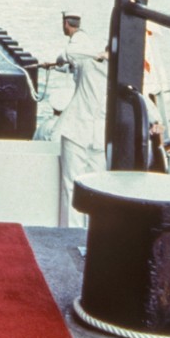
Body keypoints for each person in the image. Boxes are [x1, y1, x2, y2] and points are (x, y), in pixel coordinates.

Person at [39, 13, 109, 228]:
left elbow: (71, 52)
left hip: (96, 136)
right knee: (74, 185)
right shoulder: (92, 63)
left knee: (94, 186)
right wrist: (98, 55)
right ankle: (71, 234)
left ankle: (91, 234)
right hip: (79, 130)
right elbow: (71, 53)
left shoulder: (96, 65)